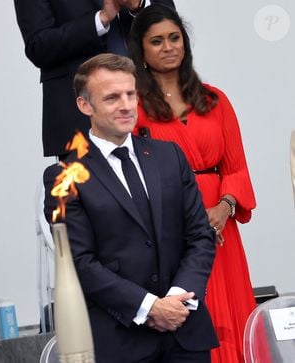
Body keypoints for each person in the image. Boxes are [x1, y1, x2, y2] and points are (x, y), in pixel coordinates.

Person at [43, 53, 218, 362]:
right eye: (111, 98)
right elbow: (80, 262)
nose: (125, 105)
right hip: (120, 340)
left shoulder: (170, 156)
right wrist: (149, 307)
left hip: (185, 332)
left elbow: (201, 236)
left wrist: (177, 299)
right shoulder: (64, 176)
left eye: (130, 94)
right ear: (85, 106)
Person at [128, 5, 256, 362]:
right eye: (157, 41)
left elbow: (237, 168)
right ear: (141, 50)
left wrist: (226, 206)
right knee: (192, 312)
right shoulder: (133, 107)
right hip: (170, 228)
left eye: (175, 38)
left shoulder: (215, 100)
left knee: (230, 312)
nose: (168, 47)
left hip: (221, 226)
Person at [13, 0, 174, 157]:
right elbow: (38, 46)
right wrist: (100, 20)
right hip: (81, 119)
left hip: (154, 103)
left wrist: (139, 5)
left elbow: (172, 22)